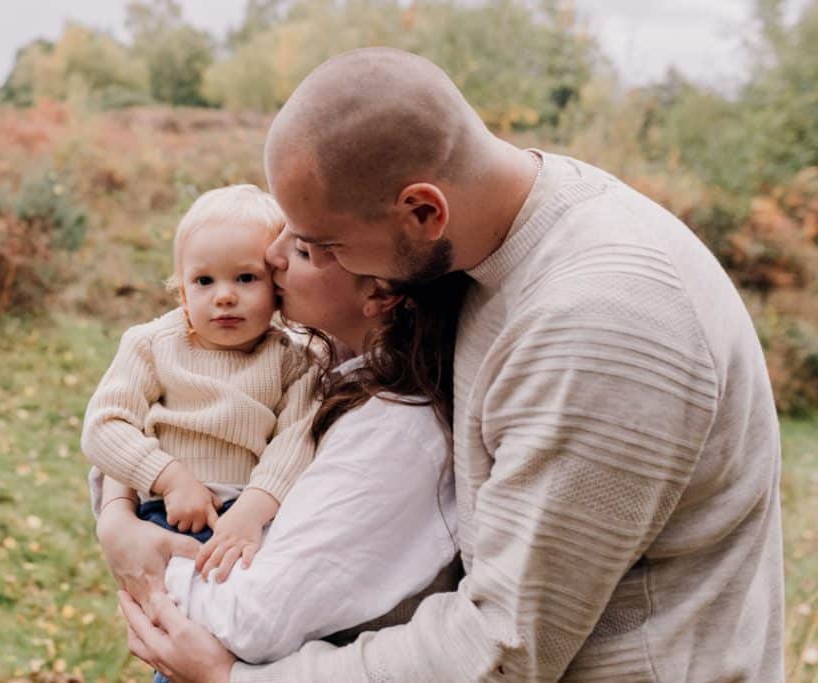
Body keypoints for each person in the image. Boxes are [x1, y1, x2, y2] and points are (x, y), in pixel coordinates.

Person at [117, 48, 785, 682]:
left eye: (323, 245)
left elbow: (502, 648)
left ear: (423, 211)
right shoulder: (486, 239)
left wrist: (232, 677)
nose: (277, 259)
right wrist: (122, 515)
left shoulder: (600, 324)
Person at [93, 216, 470, 672]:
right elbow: (119, 427)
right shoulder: (330, 353)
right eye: (204, 281)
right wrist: (119, 515)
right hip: (185, 519)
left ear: (378, 292)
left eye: (304, 250)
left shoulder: (390, 429)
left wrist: (141, 556)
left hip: (220, 586)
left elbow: (245, 619)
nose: (273, 256)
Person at [82, 184, 319, 587]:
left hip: (254, 516)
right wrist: (171, 478)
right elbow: (105, 426)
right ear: (182, 291)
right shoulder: (153, 345)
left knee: (245, 620)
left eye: (246, 278)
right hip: (165, 512)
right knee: (171, 613)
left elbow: (296, 440)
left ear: (277, 289)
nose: (224, 296)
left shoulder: (293, 358)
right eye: (204, 281)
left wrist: (251, 511)